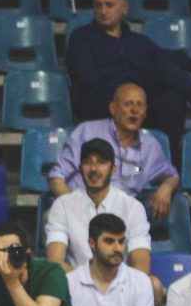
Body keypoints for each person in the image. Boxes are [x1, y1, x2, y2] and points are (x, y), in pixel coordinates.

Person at [61, 0, 191, 137]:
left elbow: (172, 60)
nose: (103, 11)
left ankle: (167, 156)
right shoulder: (81, 37)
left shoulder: (137, 41)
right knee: (158, 67)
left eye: (109, 5)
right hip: (98, 103)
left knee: (171, 96)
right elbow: (86, 78)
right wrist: (133, 78)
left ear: (125, 7)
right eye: (98, 5)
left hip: (133, 101)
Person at [46, 83, 178, 232]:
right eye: (128, 104)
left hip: (120, 218)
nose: (134, 110)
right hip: (79, 207)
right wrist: (74, 208)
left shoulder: (150, 147)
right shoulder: (87, 131)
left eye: (139, 105)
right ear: (113, 108)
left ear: (145, 112)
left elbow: (171, 175)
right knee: (54, 217)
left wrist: (166, 188)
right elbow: (56, 177)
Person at [44, 139, 154, 274]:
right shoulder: (63, 205)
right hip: (76, 282)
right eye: (87, 162)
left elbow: (141, 266)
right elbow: (55, 263)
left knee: (154, 284)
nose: (94, 169)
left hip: (122, 284)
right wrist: (90, 281)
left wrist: (111, 283)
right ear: (80, 169)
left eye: (101, 162)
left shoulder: (133, 208)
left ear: (113, 169)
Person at [65, 214, 160, 306]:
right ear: (92, 244)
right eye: (109, 241)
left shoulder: (140, 281)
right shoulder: (69, 282)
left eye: (121, 242)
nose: (117, 248)